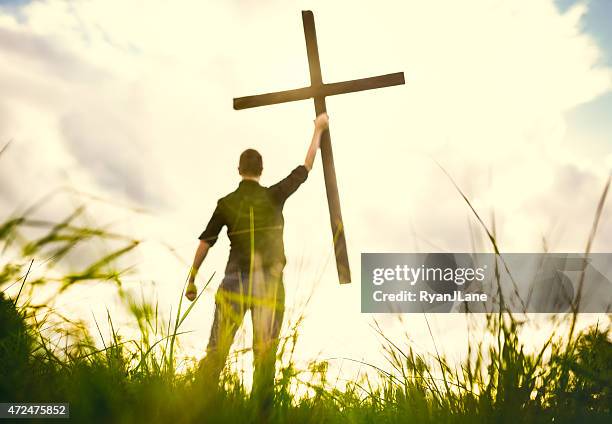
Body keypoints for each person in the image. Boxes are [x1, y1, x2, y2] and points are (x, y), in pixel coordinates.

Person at [185, 112, 329, 405]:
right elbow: (306, 167)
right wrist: (318, 129)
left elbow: (205, 242)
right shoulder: (274, 195)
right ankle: (261, 415)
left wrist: (191, 278)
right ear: (261, 170)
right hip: (269, 283)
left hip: (234, 281)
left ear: (239, 169)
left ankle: (198, 409)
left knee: (217, 352)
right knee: (265, 356)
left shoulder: (226, 203)